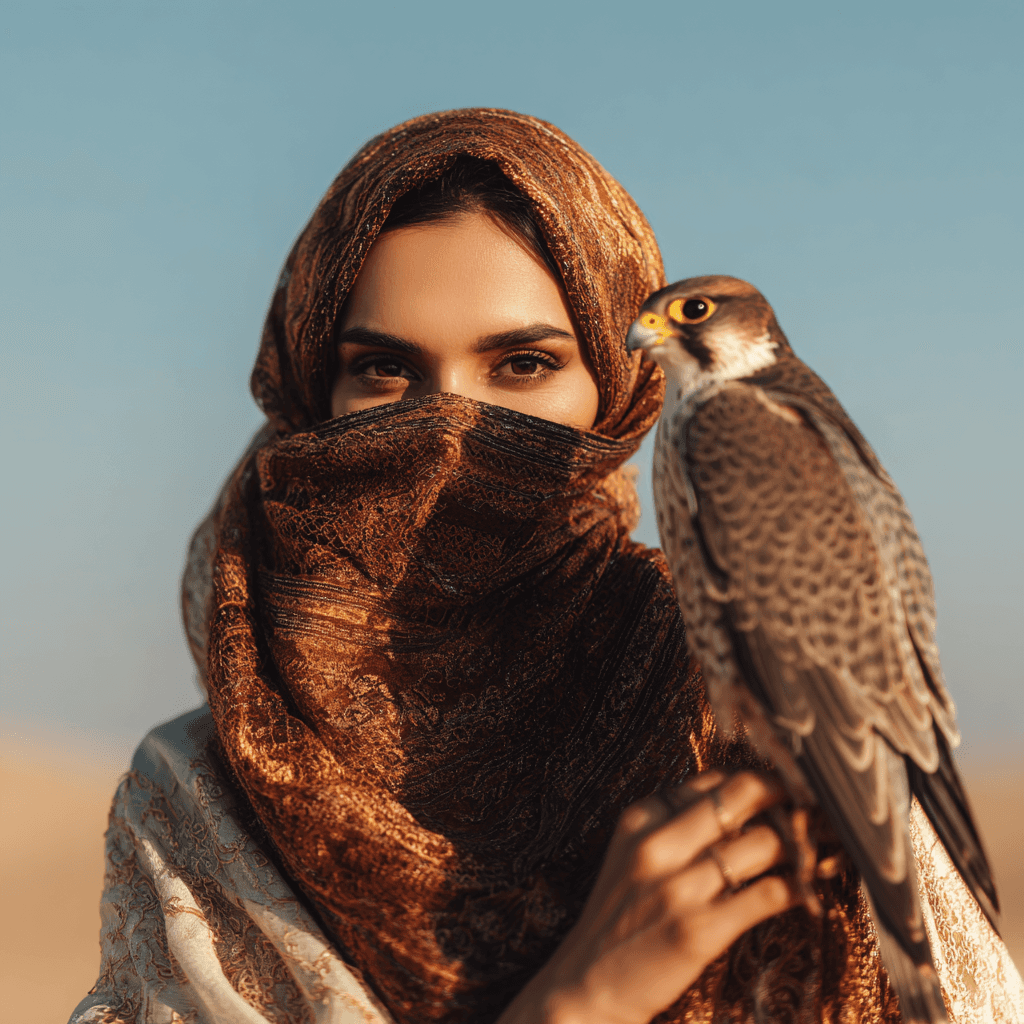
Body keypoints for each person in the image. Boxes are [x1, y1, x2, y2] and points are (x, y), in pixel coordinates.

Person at [70, 109, 1021, 1024]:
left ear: (617, 393)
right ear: (310, 392)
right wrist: (578, 1003)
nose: (451, 426)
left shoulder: (746, 715)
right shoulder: (203, 792)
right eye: (385, 369)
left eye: (521, 365)